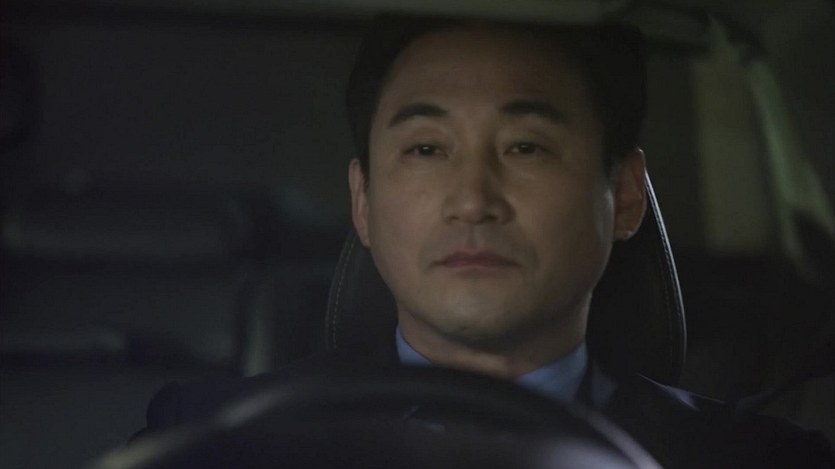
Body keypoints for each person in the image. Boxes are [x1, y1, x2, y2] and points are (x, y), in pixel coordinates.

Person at [135, 14, 835, 468]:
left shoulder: (752, 460)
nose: (472, 200)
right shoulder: (210, 441)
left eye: (526, 146)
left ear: (623, 195)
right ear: (363, 202)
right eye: (426, 149)